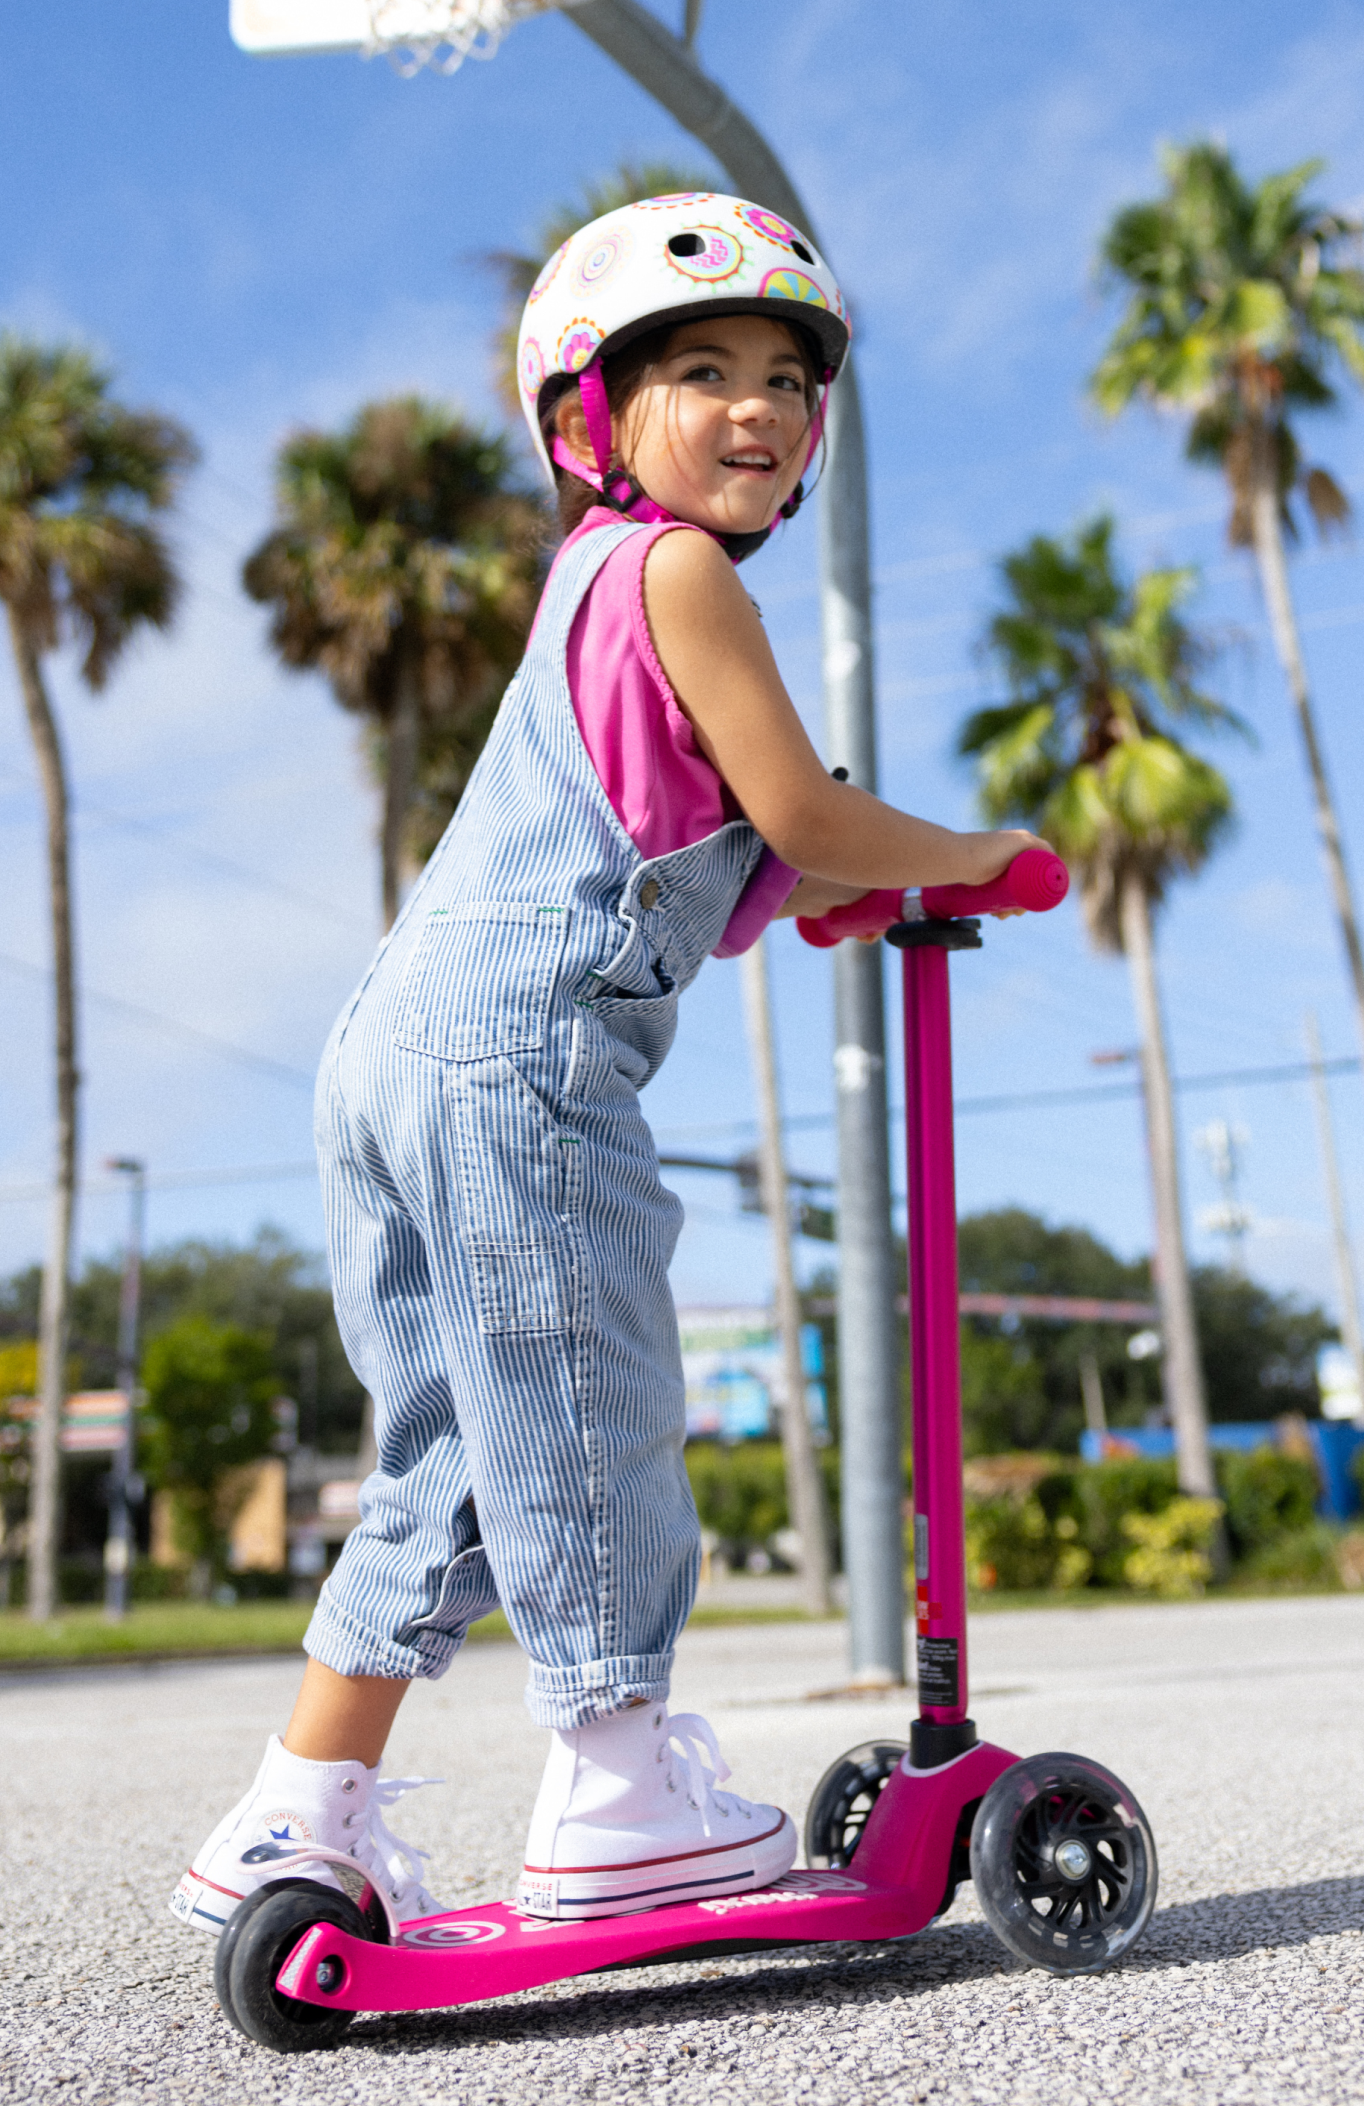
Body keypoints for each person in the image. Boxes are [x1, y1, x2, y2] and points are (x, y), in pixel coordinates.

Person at [172, 194, 1046, 1937]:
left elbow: (720, 842)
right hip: (522, 1062)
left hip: (398, 1048)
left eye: (787, 378)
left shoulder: (591, 591)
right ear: (598, 414)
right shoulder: (679, 570)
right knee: (592, 1408)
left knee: (455, 1449)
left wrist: (828, 897)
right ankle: (620, 1788)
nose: (758, 407)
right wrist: (975, 856)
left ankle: (297, 1808)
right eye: (703, 370)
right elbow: (803, 809)